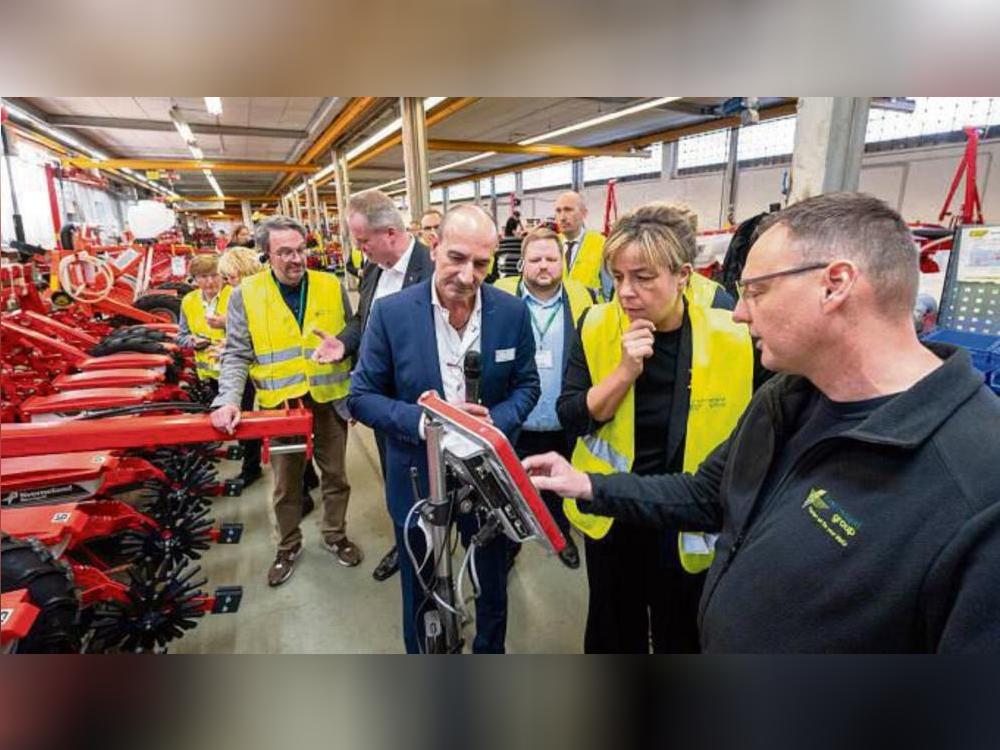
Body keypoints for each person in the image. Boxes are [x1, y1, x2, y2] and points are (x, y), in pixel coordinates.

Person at [526, 192, 1000, 653]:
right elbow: (706, 494)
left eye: (757, 290)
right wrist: (587, 483)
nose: (738, 311)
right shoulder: (788, 399)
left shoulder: (976, 481)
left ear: (834, 285)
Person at [549, 203, 753, 654]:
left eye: (643, 278)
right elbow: (572, 414)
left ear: (683, 275)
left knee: (681, 630)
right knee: (612, 630)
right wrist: (623, 372)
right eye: (618, 277)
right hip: (613, 511)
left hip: (687, 515)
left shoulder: (732, 333)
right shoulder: (597, 324)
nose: (626, 292)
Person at [348, 205, 540, 654]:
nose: (468, 275)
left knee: (491, 580)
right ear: (434, 249)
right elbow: (362, 396)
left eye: (481, 263)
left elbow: (527, 384)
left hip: (489, 478)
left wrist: (497, 425)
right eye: (456, 257)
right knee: (421, 585)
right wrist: (427, 423)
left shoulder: (511, 312)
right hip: (417, 473)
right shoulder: (393, 314)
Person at [211, 216, 363, 588]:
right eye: (285, 252)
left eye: (300, 250)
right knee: (286, 484)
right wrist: (227, 399)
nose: (296, 259)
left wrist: (359, 392)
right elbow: (236, 354)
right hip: (281, 406)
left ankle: (335, 534)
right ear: (266, 254)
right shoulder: (245, 294)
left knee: (336, 476)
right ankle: (288, 545)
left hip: (329, 399)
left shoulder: (330, 284)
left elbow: (352, 337)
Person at [340, 189, 435, 583]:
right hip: (383, 406)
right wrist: (342, 342)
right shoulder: (372, 270)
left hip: (423, 407)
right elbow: (363, 323)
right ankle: (407, 541)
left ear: (391, 234)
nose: (360, 250)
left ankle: (434, 550)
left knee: (432, 485)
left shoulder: (431, 270)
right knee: (397, 481)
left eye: (364, 242)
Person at [494, 227, 597, 569]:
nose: (543, 266)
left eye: (551, 259)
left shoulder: (586, 298)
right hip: (514, 419)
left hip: (562, 420)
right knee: (507, 489)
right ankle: (508, 545)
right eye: (535, 259)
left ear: (563, 262)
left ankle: (560, 536)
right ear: (522, 263)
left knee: (557, 487)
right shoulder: (499, 298)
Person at [177, 254, 231, 400]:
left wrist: (227, 323)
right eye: (203, 276)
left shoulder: (235, 296)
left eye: (215, 275)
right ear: (194, 279)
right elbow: (181, 337)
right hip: (208, 378)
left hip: (236, 375)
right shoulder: (189, 301)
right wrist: (192, 342)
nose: (210, 281)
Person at [554, 191, 612, 300]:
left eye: (568, 210)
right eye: (558, 211)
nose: (562, 217)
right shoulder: (552, 244)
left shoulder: (601, 244)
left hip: (592, 314)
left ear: (584, 213)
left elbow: (609, 293)